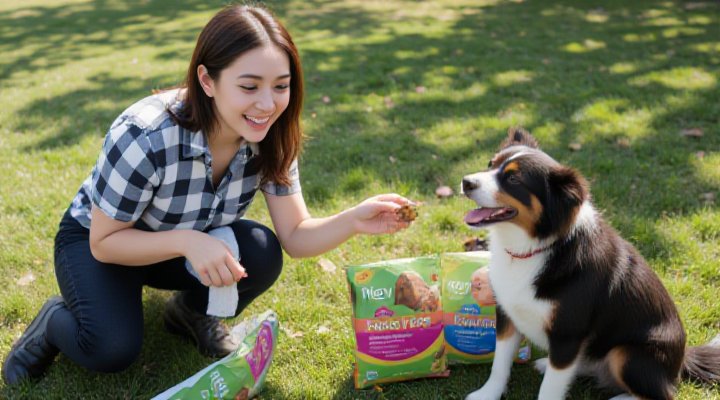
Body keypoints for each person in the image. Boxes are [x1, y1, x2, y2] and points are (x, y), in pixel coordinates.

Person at [2, 4, 413, 384]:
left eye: (281, 86)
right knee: (111, 349)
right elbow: (105, 243)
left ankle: (189, 313)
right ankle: (53, 322)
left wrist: (353, 220)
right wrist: (188, 241)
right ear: (207, 80)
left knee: (262, 250)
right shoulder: (144, 134)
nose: (268, 104)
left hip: (182, 245)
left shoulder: (271, 135)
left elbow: (296, 236)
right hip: (100, 244)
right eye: (249, 86)